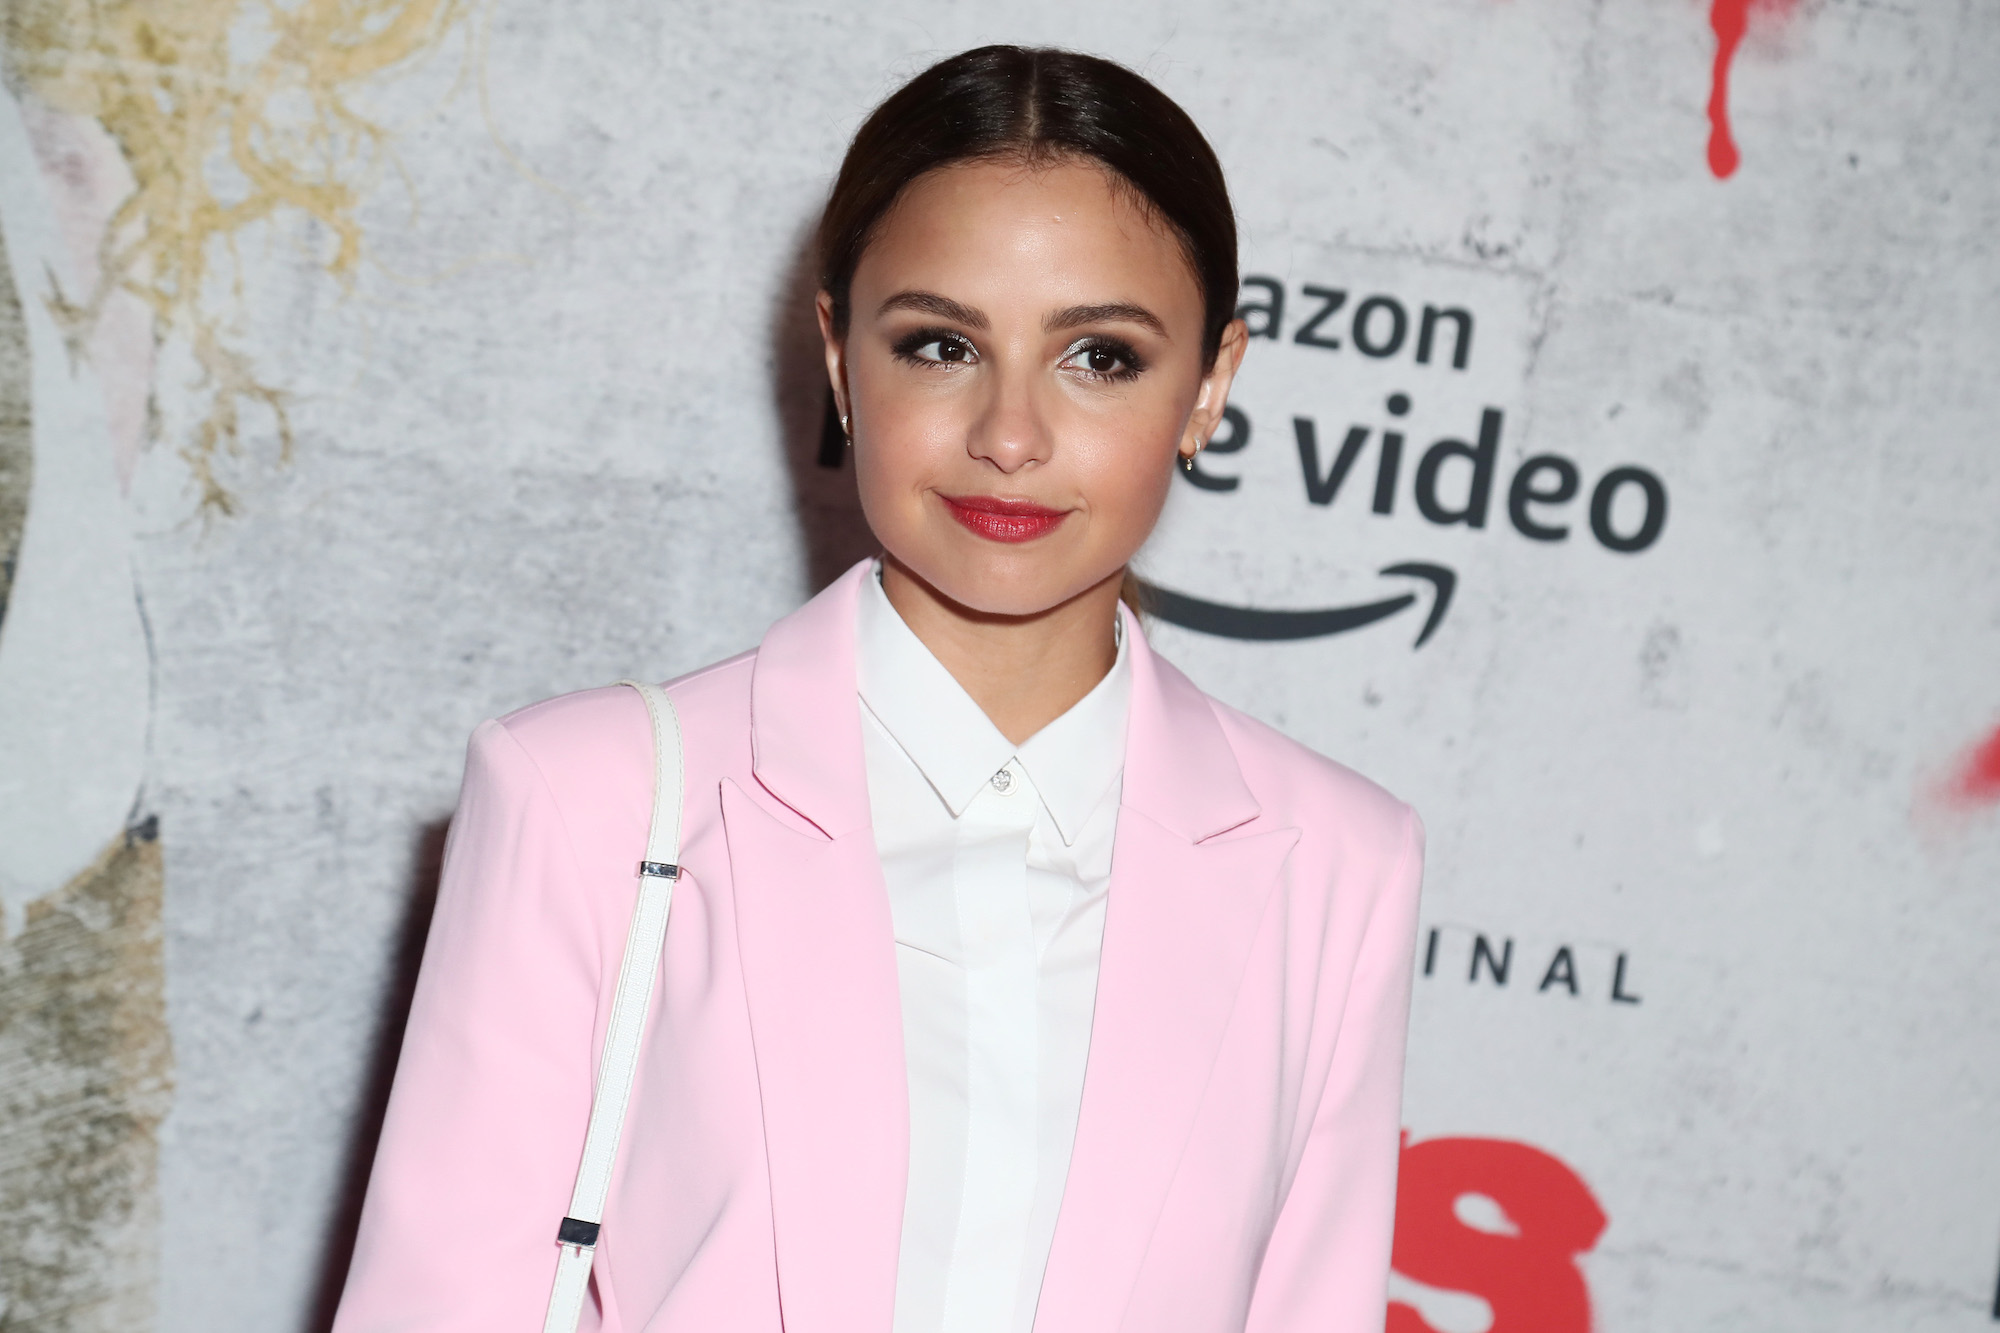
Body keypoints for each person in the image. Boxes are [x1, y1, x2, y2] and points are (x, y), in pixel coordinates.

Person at [333, 44, 1424, 1333]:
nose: (1009, 436)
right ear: (844, 360)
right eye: (942, 344)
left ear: (1211, 386)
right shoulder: (589, 798)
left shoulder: (1338, 862)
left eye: (1102, 359)